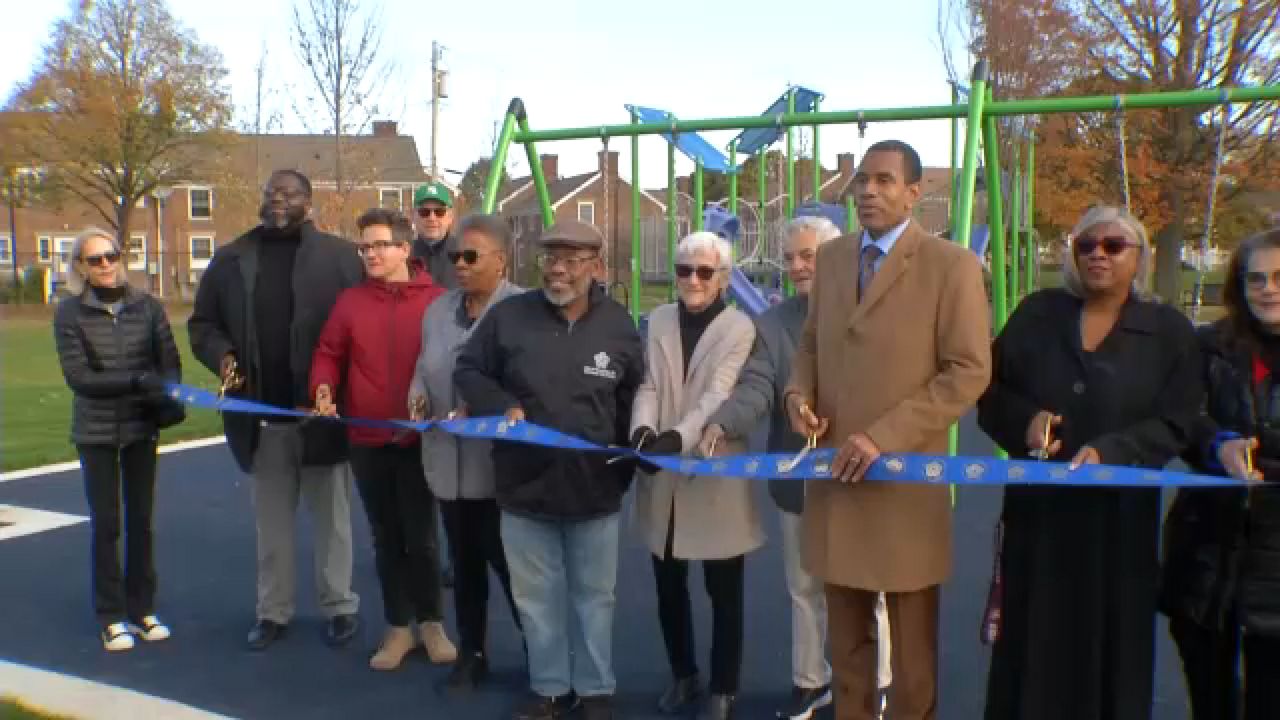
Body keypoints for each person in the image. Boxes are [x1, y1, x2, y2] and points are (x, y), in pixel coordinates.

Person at [784, 140, 992, 720]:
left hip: (903, 482)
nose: (869, 191)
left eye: (883, 181)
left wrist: (884, 435)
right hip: (834, 481)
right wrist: (797, 397)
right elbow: (809, 346)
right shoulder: (831, 259)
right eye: (861, 182)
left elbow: (969, 370)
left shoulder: (950, 266)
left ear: (914, 192)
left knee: (911, 658)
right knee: (847, 648)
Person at [976, 206, 1204, 720]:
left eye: (1114, 245)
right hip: (1039, 521)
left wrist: (1116, 451)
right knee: (1032, 647)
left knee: (1111, 650)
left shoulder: (1169, 332)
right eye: (1086, 245)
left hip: (1117, 525)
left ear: (1139, 258)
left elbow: (1180, 419)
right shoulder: (1036, 314)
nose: (1098, 254)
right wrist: (1025, 422)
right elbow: (990, 393)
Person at [702, 215, 894, 720]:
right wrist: (723, 423)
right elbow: (757, 387)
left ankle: (876, 685)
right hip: (800, 480)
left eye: (807, 256)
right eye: (789, 258)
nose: (796, 267)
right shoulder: (772, 325)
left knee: (868, 589)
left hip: (865, 478)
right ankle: (811, 683)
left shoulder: (874, 315)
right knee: (804, 588)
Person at [455, 219, 643, 720]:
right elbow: (468, 369)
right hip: (522, 489)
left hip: (595, 491)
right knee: (536, 600)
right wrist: (499, 403)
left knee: (594, 599)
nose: (558, 270)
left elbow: (632, 401)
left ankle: (596, 691)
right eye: (550, 259)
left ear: (597, 267)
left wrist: (621, 469)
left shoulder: (620, 326)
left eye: (572, 260)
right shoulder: (508, 317)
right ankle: (550, 690)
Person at [189, 169, 363, 651]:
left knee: (334, 522)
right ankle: (273, 611)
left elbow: (360, 330)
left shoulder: (341, 259)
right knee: (273, 527)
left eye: (290, 194)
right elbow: (202, 324)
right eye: (271, 193)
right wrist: (222, 356)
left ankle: (339, 605)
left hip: (322, 416)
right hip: (261, 420)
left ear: (310, 202)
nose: (278, 200)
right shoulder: (231, 260)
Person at [309, 208, 456, 670]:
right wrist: (323, 387)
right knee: (385, 537)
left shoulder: (437, 301)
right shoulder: (350, 302)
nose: (370, 254)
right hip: (366, 439)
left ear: (403, 249)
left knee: (423, 537)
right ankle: (398, 628)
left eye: (379, 245)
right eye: (364, 247)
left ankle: (431, 623)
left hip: (419, 440)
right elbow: (329, 352)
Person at [630, 231, 759, 720]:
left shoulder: (739, 328)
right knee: (668, 585)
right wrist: (643, 430)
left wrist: (676, 438)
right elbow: (647, 382)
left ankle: (724, 687)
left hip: (713, 468)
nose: (693, 280)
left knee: (724, 590)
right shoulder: (658, 318)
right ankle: (683, 674)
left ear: (723, 279)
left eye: (705, 272)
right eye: (684, 269)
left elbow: (719, 395)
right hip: (662, 474)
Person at [1161, 227, 1280, 720]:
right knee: (1210, 701)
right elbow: (1181, 417)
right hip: (1208, 550)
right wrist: (1219, 445)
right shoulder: (1209, 346)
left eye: (1278, 277)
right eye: (1256, 279)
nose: (1268, 289)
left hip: (1275, 560)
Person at [53, 227, 182, 652]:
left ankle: (142, 608)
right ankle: (110, 616)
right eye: (95, 260)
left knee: (141, 520)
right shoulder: (69, 314)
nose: (106, 264)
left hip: (140, 427)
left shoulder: (147, 307)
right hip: (96, 432)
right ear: (81, 268)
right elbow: (80, 378)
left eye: (111, 255)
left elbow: (169, 363)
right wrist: (136, 379)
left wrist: (163, 392)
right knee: (107, 524)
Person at [411, 213, 524, 690]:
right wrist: (417, 395)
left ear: (501, 260)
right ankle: (472, 652)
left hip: (500, 472)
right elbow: (424, 364)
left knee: (515, 571)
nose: (459, 263)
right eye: (455, 255)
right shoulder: (438, 310)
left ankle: (545, 657)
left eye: (471, 256)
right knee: (465, 565)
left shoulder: (523, 311)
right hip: (447, 466)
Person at [411, 181, 459, 290]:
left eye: (439, 212)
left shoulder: (465, 254)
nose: (432, 218)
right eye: (424, 212)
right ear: (413, 216)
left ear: (450, 217)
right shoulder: (403, 256)